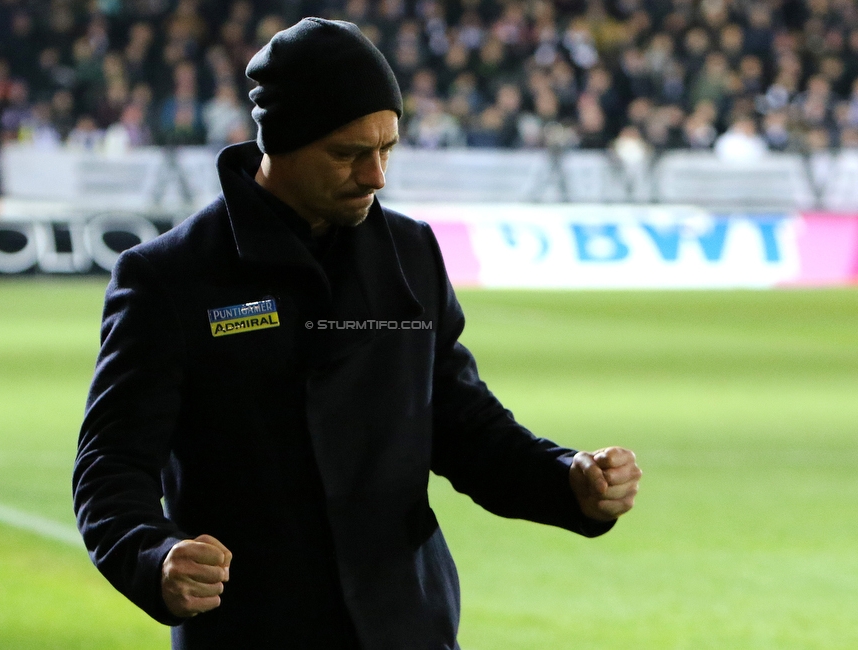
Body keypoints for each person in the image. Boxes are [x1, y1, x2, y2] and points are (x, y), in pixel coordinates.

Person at [73, 18, 642, 650]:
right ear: (282, 143)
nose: (375, 175)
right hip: (257, 630)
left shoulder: (410, 252)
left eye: (387, 148)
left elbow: (463, 425)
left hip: (407, 625)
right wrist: (155, 558)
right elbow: (111, 465)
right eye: (347, 154)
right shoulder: (169, 277)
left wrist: (567, 479)